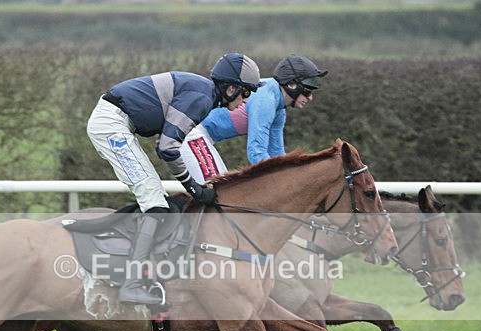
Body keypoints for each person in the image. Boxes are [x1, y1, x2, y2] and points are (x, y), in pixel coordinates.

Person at [87, 53, 263, 305]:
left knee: (157, 200)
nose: (245, 101)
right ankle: (132, 284)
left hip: (117, 123)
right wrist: (192, 186)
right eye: (245, 94)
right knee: (155, 203)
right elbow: (168, 147)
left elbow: (166, 144)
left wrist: (192, 185)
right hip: (111, 126)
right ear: (231, 88)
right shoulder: (202, 98)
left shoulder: (204, 94)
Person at [180, 54, 328, 183]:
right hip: (191, 133)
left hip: (203, 137)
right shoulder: (267, 100)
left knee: (225, 192)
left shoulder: (278, 109)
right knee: (220, 191)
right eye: (308, 91)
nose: (310, 98)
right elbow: (256, 152)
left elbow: (277, 154)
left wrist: (291, 177)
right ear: (291, 85)